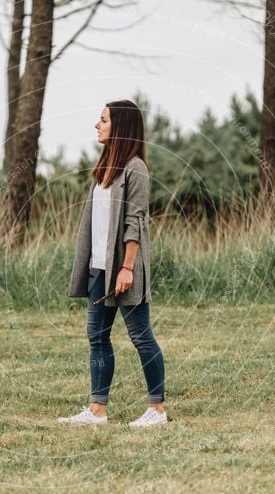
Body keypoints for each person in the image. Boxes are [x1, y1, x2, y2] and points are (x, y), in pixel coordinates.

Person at [58, 99, 167, 428]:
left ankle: (157, 410)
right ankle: (97, 411)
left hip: (123, 269)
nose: (97, 124)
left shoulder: (136, 168)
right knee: (97, 336)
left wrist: (127, 268)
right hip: (98, 269)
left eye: (103, 120)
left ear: (120, 125)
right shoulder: (105, 168)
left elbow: (136, 221)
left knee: (140, 336)